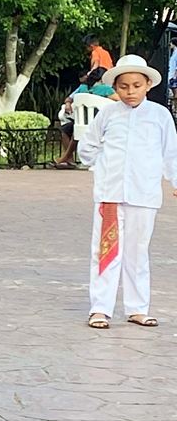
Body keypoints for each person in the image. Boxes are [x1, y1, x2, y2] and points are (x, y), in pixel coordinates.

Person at [78, 54, 177, 329]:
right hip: (110, 195)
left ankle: (137, 308)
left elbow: (171, 152)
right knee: (105, 250)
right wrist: (101, 166)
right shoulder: (107, 114)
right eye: (124, 86)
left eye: (136, 85)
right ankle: (100, 308)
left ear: (148, 85)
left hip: (144, 195)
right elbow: (88, 146)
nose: (130, 92)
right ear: (115, 87)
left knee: (138, 252)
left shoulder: (160, 115)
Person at [54, 68, 118, 168]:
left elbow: (69, 98)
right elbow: (120, 101)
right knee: (75, 131)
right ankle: (67, 159)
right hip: (99, 124)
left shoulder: (82, 87)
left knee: (67, 130)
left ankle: (67, 158)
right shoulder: (106, 89)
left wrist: (67, 104)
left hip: (81, 122)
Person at [168, 38, 177, 103]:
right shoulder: (174, 52)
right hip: (171, 73)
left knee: (175, 92)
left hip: (174, 74)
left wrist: (175, 74)